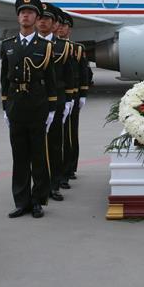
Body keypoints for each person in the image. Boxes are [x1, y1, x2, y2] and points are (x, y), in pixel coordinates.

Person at [0, 0, 57, 219]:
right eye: (22, 12)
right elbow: (4, 79)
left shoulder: (45, 46)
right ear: (18, 17)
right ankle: (21, 201)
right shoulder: (8, 45)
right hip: (16, 105)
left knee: (38, 156)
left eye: (30, 12)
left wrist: (51, 108)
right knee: (19, 156)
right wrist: (5, 106)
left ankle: (38, 200)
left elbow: (50, 79)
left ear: (36, 17)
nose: (26, 15)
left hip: (37, 104)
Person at [35, 4, 75, 201]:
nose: (43, 22)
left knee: (55, 144)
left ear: (54, 24)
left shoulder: (63, 47)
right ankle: (38, 188)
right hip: (33, 102)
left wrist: (69, 100)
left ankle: (54, 183)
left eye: (47, 19)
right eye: (40, 18)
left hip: (56, 101)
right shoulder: (25, 45)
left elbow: (68, 76)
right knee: (35, 148)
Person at [57, 12, 89, 182]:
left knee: (70, 133)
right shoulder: (50, 47)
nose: (61, 28)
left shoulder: (77, 49)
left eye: (64, 25)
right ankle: (58, 170)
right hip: (56, 95)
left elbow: (84, 73)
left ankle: (69, 168)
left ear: (69, 29)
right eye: (59, 25)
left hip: (73, 96)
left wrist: (82, 94)